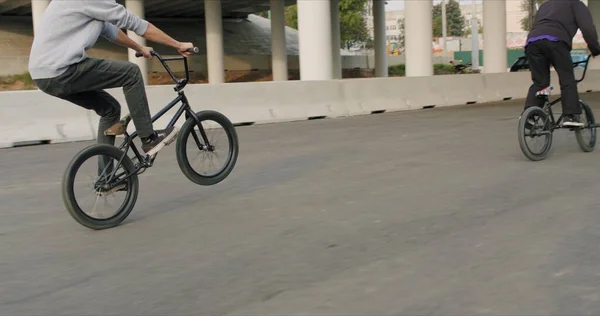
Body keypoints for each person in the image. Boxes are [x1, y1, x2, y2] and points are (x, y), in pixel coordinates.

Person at [29, 0, 194, 156]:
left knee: (110, 110)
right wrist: (178, 45)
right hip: (62, 68)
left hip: (43, 75)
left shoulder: (84, 6)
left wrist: (139, 47)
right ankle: (149, 139)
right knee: (131, 73)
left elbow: (110, 31)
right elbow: (137, 24)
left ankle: (106, 179)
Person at [524, 0, 600, 127]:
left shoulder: (545, 5)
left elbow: (537, 26)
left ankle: (529, 115)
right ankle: (570, 116)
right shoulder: (576, 4)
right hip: (556, 41)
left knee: (540, 82)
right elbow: (587, 28)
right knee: (567, 79)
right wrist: (595, 49)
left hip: (532, 42)